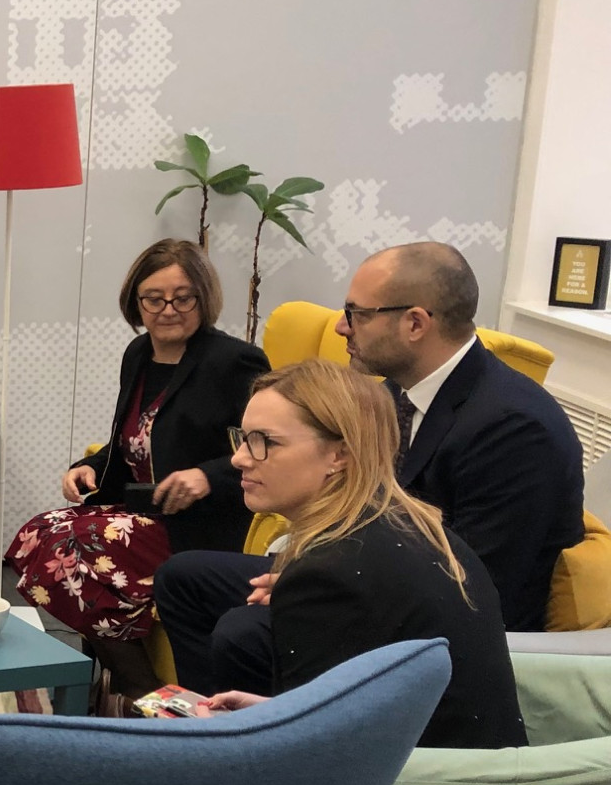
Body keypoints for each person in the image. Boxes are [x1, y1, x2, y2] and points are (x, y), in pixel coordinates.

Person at [156, 242, 584, 695]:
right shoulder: (398, 393)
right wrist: (310, 572)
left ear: (415, 323)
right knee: (184, 578)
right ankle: (199, 719)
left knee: (242, 631)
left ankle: (260, 730)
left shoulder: (513, 426)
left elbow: (477, 584)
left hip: (435, 624)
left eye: (356, 314)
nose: (341, 326)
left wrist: (318, 585)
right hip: (363, 571)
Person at [194, 360, 524, 750]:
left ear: (340, 455)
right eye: (244, 438)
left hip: (425, 780)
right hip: (472, 762)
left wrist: (227, 738)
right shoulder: (416, 527)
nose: (239, 458)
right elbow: (350, 708)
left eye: (265, 441)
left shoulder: (327, 573)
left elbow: (313, 753)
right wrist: (272, 711)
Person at [8, 241, 266, 700]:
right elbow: (134, 437)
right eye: (154, 298)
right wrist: (88, 466)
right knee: (37, 533)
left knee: (71, 545)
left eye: (182, 298)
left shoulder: (234, 361)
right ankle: (134, 685)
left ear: (203, 298)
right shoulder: (138, 354)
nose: (168, 310)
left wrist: (208, 475)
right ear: (136, 301)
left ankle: (136, 687)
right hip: (141, 511)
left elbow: (266, 448)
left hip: (198, 524)